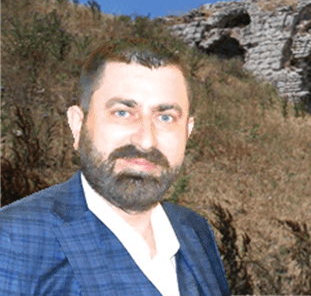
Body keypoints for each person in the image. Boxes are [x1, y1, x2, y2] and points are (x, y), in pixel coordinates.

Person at [0, 38, 230, 296]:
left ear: (188, 132)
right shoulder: (13, 241)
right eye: (122, 112)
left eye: (166, 117)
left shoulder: (194, 229)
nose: (145, 141)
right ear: (78, 125)